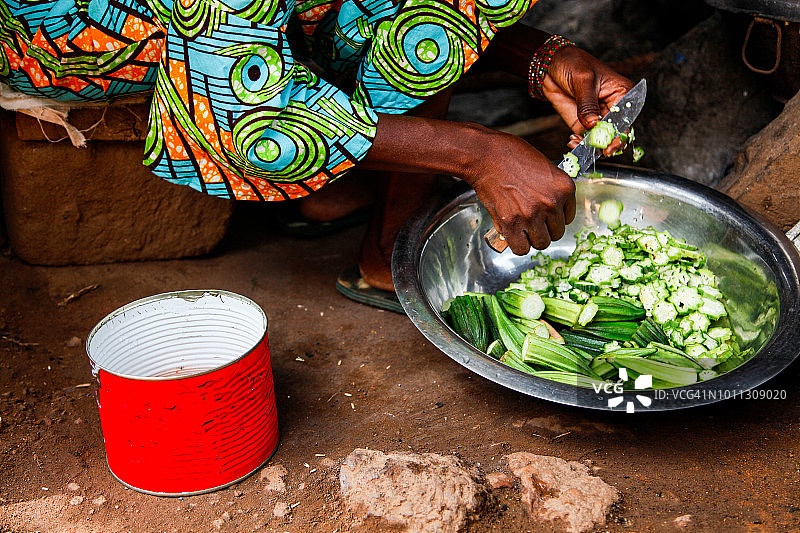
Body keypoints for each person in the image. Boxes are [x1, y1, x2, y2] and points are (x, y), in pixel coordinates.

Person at [0, 0, 631, 309]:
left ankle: (337, 193)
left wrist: (542, 58)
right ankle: (386, 254)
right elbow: (242, 110)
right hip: (63, 39)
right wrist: (478, 155)